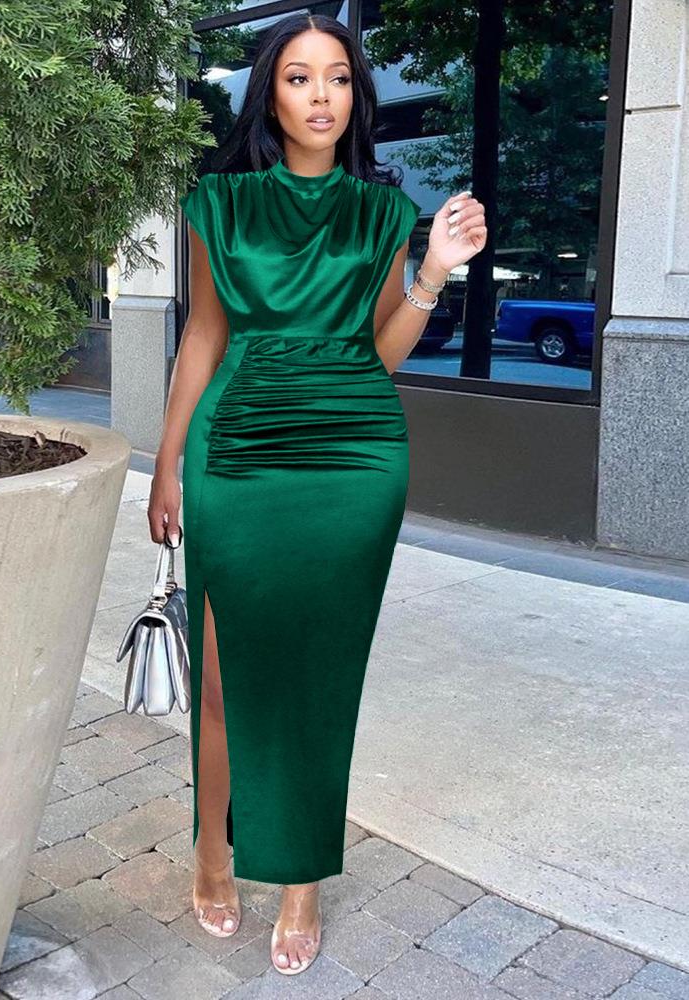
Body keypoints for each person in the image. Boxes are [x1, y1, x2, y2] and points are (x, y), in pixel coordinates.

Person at [148, 12, 486, 977]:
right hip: (237, 448)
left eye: (337, 77)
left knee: (320, 674)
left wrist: (432, 274)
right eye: (299, 78)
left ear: (355, 96)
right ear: (271, 96)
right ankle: (212, 854)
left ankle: (301, 880)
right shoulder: (221, 202)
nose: (321, 95)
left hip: (352, 457)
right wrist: (167, 461)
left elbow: (379, 354)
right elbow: (204, 333)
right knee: (222, 680)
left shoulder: (381, 212)